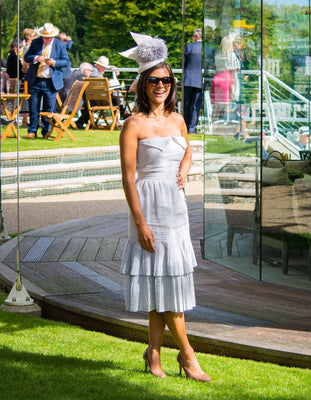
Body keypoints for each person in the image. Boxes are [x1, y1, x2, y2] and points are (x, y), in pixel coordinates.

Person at [119, 31, 210, 382]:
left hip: (175, 208)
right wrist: (140, 222)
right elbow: (128, 178)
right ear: (144, 83)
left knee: (166, 279)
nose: (162, 85)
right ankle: (187, 355)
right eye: (155, 80)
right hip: (149, 207)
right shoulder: (134, 124)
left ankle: (153, 355)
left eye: (167, 80)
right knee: (162, 281)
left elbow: (187, 147)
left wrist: (185, 166)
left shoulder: (177, 119)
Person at [24, 22, 69, 138]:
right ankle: (32, 130)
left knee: (48, 109)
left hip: (51, 82)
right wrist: (36, 58)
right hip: (35, 80)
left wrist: (54, 63)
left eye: (50, 37)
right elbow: (27, 57)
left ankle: (46, 131)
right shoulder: (36, 42)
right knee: (33, 107)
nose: (48, 39)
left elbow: (65, 62)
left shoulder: (60, 45)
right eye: (46, 37)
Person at [182, 29, 203, 134]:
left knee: (186, 104)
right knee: (196, 106)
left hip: (188, 79)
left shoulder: (189, 47)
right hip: (200, 81)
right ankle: (192, 128)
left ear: (197, 37)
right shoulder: (208, 49)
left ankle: (185, 128)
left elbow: (182, 63)